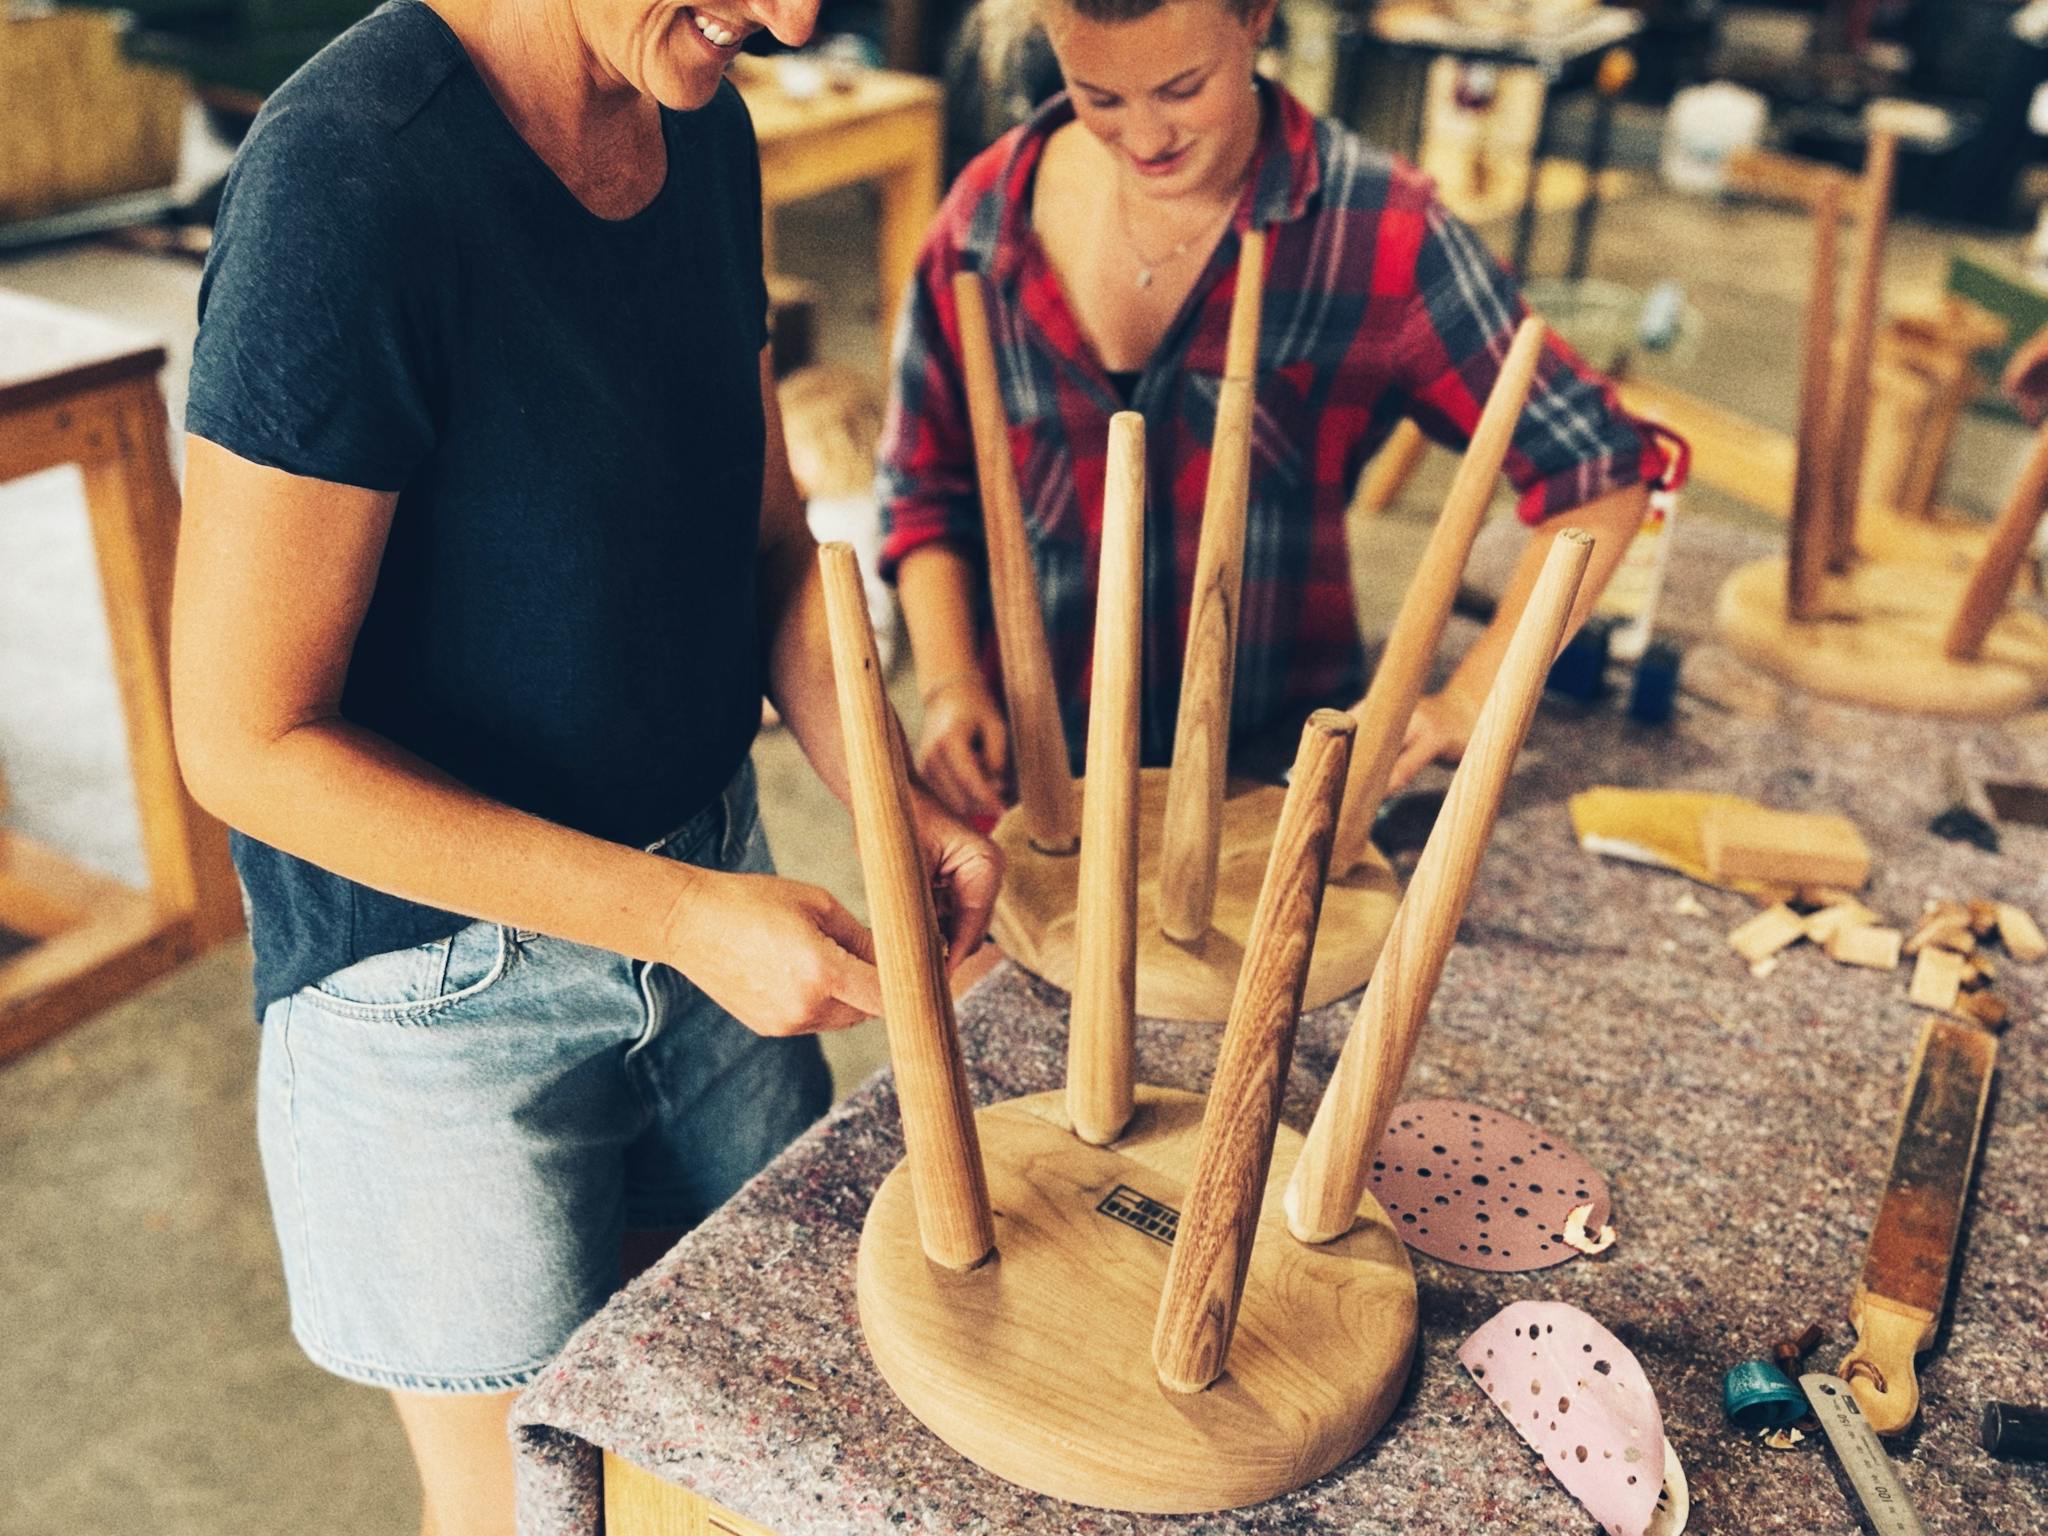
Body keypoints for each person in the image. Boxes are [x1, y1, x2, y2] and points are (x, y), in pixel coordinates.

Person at [168, 0, 999, 1530]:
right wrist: (677, 918)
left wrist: (890, 800)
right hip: (442, 993)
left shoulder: (703, 120)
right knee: (534, 1514)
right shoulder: (346, 179)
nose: (791, 18)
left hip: (715, 885)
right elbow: (243, 740)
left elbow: (770, 545)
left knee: (747, 1454)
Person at [879, 0, 1670, 821]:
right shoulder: (986, 222)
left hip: (1266, 795)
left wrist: (1473, 698)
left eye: (1183, 89)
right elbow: (923, 486)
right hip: (1036, 793)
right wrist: (949, 682)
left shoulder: (1376, 228)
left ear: (1256, 15)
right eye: (1100, 97)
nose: (1145, 138)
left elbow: (1598, 470)